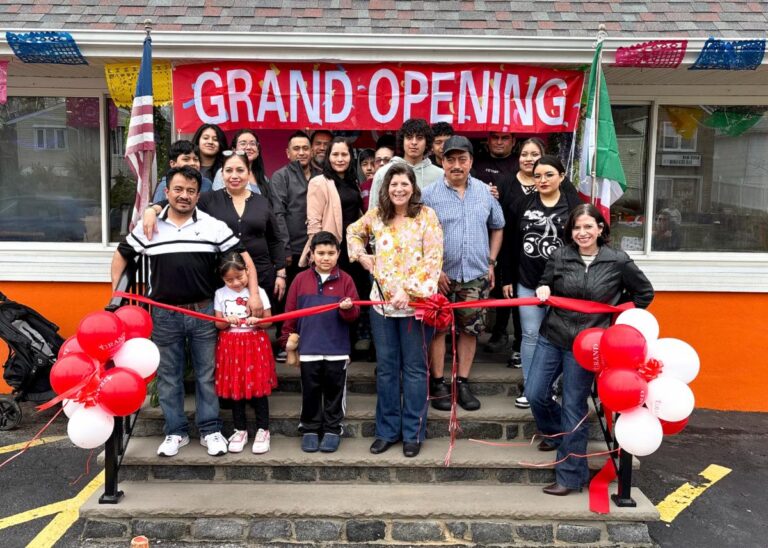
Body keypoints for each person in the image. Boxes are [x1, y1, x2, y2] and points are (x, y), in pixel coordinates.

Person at [111, 166, 262, 458]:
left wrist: (254, 293)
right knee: (169, 376)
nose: (185, 196)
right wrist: (115, 295)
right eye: (178, 189)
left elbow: (245, 258)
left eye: (191, 191)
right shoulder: (150, 227)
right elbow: (122, 254)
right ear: (166, 192)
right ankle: (175, 432)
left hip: (204, 312)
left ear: (197, 195)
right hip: (165, 316)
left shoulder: (212, 225)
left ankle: (210, 430)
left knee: (206, 375)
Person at [529, 203, 654, 496]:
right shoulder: (560, 256)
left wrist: (617, 318)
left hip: (587, 346)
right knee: (535, 393)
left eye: (588, 227)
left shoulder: (618, 261)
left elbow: (644, 293)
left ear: (600, 229)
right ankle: (555, 432)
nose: (582, 233)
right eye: (576, 227)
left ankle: (570, 476)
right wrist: (543, 289)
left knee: (573, 405)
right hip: (553, 335)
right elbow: (544, 283)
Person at [347, 163, 443, 457]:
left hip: (415, 306)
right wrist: (362, 257)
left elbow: (434, 259)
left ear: (413, 187)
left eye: (404, 184)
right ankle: (387, 431)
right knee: (387, 370)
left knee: (414, 370)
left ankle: (413, 433)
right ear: (385, 189)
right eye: (393, 185)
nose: (399, 190)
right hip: (381, 307)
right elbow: (353, 232)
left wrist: (409, 290)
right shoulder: (377, 215)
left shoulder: (426, 216)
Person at [422, 135, 505, 412]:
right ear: (441, 161)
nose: (456, 165)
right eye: (450, 159)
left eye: (462, 159)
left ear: (470, 162)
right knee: (438, 330)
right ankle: (438, 382)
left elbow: (498, 225)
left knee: (470, 331)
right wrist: (434, 270)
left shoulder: (484, 192)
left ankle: (463, 382)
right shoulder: (428, 195)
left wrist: (491, 262)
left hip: (475, 275)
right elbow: (419, 236)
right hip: (440, 277)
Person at [144, 152, 287, 303]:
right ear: (222, 173)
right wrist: (152, 209)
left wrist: (280, 273)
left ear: (249, 172)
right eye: (229, 170)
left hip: (261, 275)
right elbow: (179, 204)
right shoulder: (208, 200)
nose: (234, 176)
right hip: (222, 279)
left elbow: (275, 239)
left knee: (261, 324)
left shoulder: (262, 202)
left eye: (240, 170)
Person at [501, 155, 582, 409]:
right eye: (538, 176)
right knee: (530, 335)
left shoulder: (573, 205)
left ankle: (555, 387)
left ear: (561, 177)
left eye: (549, 175)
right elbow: (509, 245)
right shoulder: (522, 204)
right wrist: (507, 277)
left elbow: (583, 244)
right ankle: (530, 385)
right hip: (527, 280)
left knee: (560, 336)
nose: (543, 180)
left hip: (564, 284)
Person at [280, 231, 360, 453]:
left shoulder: (346, 280)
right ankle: (310, 428)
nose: (326, 257)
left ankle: (333, 429)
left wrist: (348, 309)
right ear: (311, 255)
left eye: (331, 253)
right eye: (321, 253)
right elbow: (290, 313)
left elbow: (355, 316)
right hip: (309, 349)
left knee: (335, 390)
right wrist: (287, 340)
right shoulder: (300, 280)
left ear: (338, 254)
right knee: (311, 390)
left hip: (336, 349)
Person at [213, 252, 276, 454]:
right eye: (228, 280)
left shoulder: (258, 292)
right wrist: (227, 320)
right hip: (231, 346)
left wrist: (258, 322)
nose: (235, 283)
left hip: (254, 344)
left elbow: (269, 321)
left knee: (258, 386)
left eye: (239, 277)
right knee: (235, 387)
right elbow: (218, 323)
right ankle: (240, 429)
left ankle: (262, 429)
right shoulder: (220, 294)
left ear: (247, 272)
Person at [497, 138, 547, 367]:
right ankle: (519, 349)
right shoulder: (505, 182)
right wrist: (505, 274)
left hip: (547, 261)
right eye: (524, 154)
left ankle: (546, 357)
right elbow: (501, 228)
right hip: (515, 257)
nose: (529, 159)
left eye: (534, 154)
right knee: (519, 306)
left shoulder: (556, 183)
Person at [472, 131, 518, 354]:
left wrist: (502, 195)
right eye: (495, 137)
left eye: (505, 138)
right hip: (477, 232)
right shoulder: (476, 163)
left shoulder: (519, 164)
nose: (499, 142)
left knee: (503, 284)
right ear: (487, 140)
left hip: (507, 232)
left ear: (513, 141)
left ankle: (500, 331)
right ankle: (470, 328)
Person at [368, 118, 443, 210]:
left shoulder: (440, 175)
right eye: (409, 137)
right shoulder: (383, 172)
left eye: (419, 138)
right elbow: (373, 211)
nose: (414, 142)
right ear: (402, 141)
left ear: (427, 143)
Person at [211, 130, 265, 198]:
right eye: (243, 143)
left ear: (258, 150)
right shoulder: (224, 172)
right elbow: (217, 201)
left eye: (252, 144)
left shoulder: (264, 178)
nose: (248, 147)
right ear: (234, 149)